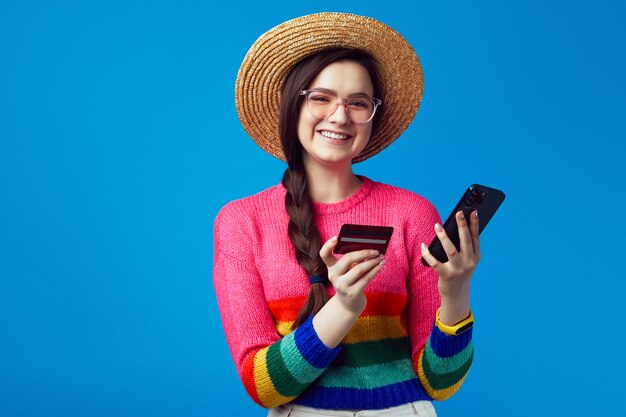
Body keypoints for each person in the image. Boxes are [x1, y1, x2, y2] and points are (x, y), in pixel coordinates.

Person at [213, 12, 480, 417]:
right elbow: (262, 386)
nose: (340, 116)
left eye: (358, 103)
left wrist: (456, 291)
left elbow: (440, 384)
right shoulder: (241, 221)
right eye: (321, 97)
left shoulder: (411, 212)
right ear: (292, 105)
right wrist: (344, 306)